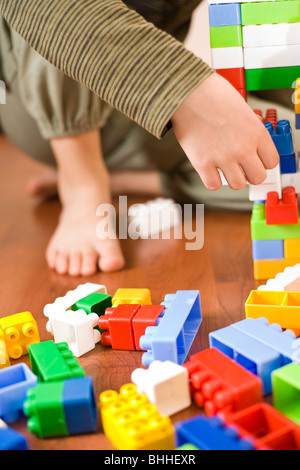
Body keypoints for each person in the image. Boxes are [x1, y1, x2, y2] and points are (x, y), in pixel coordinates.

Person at [0, 1, 281, 276]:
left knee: (283, 164)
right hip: (41, 98)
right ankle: (80, 180)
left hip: (140, 113)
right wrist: (182, 88)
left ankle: (123, 178)